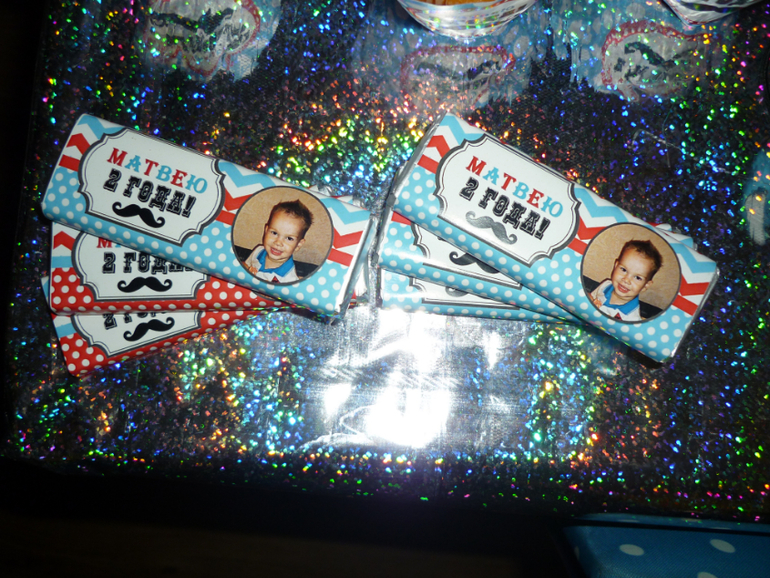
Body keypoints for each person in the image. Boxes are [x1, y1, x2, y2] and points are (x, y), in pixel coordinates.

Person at [589, 239, 662, 322]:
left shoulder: (632, 319)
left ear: (646, 285)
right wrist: (591, 301)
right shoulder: (606, 285)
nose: (626, 280)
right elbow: (589, 297)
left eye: (637, 277)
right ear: (616, 266)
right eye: (624, 270)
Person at [244, 199, 313, 283]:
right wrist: (247, 270)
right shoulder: (259, 251)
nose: (278, 243)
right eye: (274, 233)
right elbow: (243, 265)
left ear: (298, 245)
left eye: (289, 238)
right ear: (266, 231)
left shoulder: (289, 280)